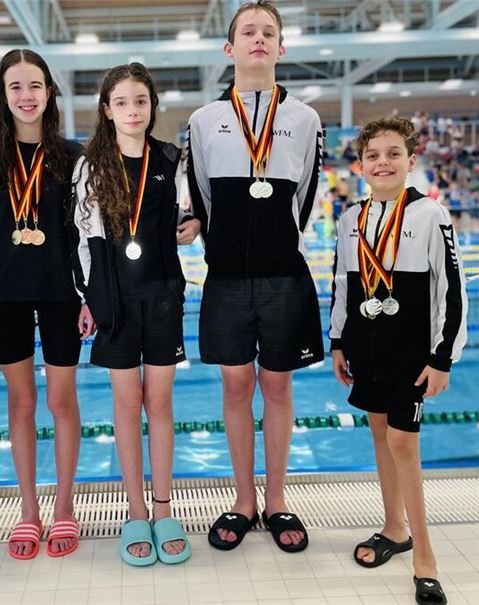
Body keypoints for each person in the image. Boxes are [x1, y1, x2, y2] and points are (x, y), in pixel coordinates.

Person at [186, 0, 325, 553]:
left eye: (269, 32)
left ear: (281, 48)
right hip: (225, 277)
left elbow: (309, 193)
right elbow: (199, 192)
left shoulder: (305, 118)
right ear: (231, 48)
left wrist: (277, 238)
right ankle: (244, 500)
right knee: (237, 386)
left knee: (278, 384)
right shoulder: (204, 120)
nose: (259, 39)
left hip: (283, 274)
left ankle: (276, 500)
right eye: (249, 31)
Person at [329, 116, 468, 605]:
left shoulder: (432, 214)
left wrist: (443, 358)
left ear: (411, 161)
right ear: (361, 165)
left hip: (411, 353)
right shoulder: (351, 219)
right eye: (373, 155)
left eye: (393, 154)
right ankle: (394, 527)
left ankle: (424, 557)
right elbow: (343, 284)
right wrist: (338, 341)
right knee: (378, 432)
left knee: (403, 444)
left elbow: (452, 291)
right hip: (366, 348)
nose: (382, 162)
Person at [71, 63, 200, 566]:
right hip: (115, 299)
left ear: (152, 107)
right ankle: (134, 509)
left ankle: (165, 507)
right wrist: (89, 298)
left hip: (163, 293)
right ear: (107, 110)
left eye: (141, 101)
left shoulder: (169, 157)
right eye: (122, 102)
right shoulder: (90, 167)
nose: (132, 110)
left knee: (160, 403)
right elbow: (83, 241)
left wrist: (191, 224)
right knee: (127, 405)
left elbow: (187, 211)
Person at [0, 49, 85, 560]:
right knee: (21, 402)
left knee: (60, 401)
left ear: (49, 91)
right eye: (16, 87)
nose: (26, 96)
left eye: (34, 85)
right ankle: (29, 511)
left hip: (61, 292)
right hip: (8, 294)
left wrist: (90, 295)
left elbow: (86, 231)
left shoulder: (73, 155)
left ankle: (64, 508)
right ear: (3, 94)